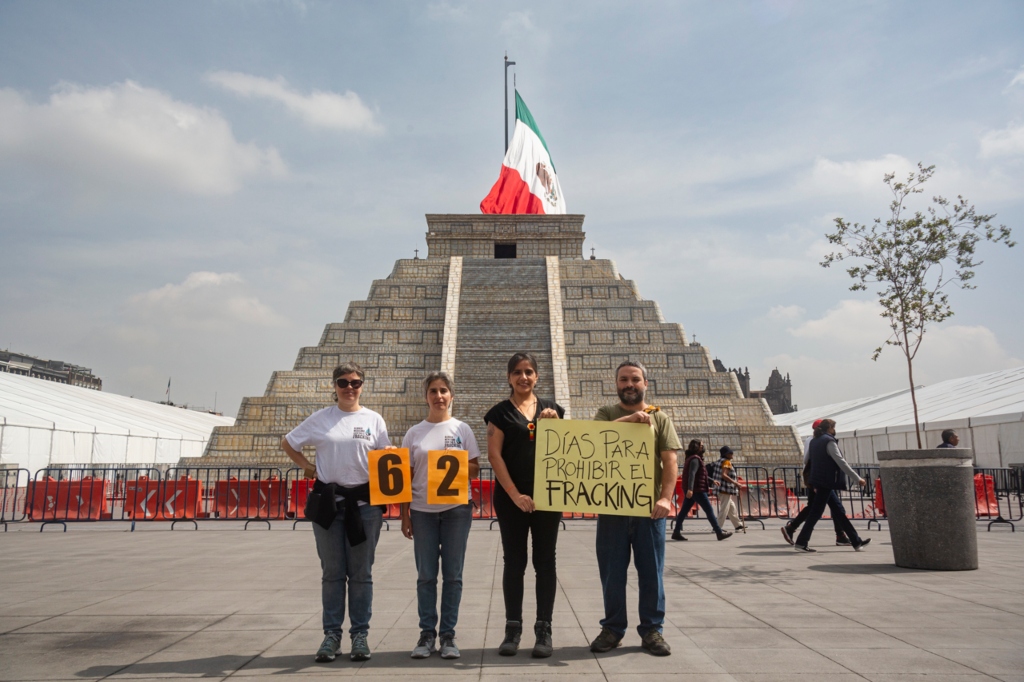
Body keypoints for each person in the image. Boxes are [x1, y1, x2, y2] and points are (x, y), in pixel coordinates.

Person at [282, 362, 390, 663]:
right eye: (343, 382)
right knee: (332, 573)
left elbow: (386, 458)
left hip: (365, 506)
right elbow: (288, 443)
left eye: (355, 382)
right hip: (330, 505)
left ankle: (360, 635)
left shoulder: (374, 419)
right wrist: (307, 467)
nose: (349, 388)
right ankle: (331, 635)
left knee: (361, 573)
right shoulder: (321, 419)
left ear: (362, 385)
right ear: (334, 386)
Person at [588, 360, 679, 657]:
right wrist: (631, 420)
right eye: (624, 379)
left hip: (649, 510)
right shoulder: (606, 414)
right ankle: (613, 628)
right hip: (612, 508)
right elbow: (590, 439)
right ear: (616, 384)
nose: (630, 384)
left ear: (645, 384)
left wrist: (665, 498)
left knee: (651, 572)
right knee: (612, 573)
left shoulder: (660, 418)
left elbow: (670, 462)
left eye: (635, 379)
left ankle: (652, 629)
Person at [484, 352, 565, 658]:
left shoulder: (553, 410)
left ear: (537, 376)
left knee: (546, 562)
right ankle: (512, 628)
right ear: (509, 377)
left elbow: (565, 452)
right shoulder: (499, 414)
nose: (523, 377)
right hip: (511, 498)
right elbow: (495, 456)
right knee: (514, 562)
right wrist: (515, 494)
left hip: (547, 497)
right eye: (517, 372)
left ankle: (544, 629)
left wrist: (556, 426)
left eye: (529, 371)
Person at [401, 372, 481, 660]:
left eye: (444, 390)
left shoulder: (462, 429)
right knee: (425, 576)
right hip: (422, 511)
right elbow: (405, 477)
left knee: (453, 575)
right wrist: (404, 515)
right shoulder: (414, 433)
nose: (439, 396)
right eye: (433, 391)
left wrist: (454, 460)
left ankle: (448, 634)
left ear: (451, 395)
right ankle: (426, 634)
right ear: (426, 396)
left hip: (457, 510)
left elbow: (475, 468)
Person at [793, 418, 871, 553]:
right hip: (826, 481)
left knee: (838, 511)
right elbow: (841, 462)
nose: (835, 431)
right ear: (829, 428)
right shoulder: (828, 441)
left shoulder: (814, 441)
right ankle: (801, 541)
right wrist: (857, 478)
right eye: (833, 428)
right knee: (816, 513)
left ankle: (856, 541)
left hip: (817, 480)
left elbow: (807, 460)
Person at [781, 419, 851, 547]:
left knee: (827, 508)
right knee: (819, 509)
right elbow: (809, 459)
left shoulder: (816, 439)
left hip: (820, 479)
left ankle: (842, 535)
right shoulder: (816, 440)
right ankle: (797, 532)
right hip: (820, 479)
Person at [671, 439, 733, 542]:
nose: (702, 447)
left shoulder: (692, 458)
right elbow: (692, 474)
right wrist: (690, 489)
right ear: (697, 447)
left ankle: (676, 532)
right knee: (709, 510)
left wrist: (712, 481)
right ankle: (719, 532)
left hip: (694, 489)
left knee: (684, 511)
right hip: (697, 489)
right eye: (701, 446)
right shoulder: (695, 459)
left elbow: (701, 474)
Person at [708, 446, 745, 533]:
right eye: (730, 453)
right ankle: (717, 527)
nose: (732, 455)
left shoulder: (719, 461)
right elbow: (724, 475)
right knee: (724, 509)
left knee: (731, 507)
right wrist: (736, 483)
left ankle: (738, 525)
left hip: (720, 488)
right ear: (726, 454)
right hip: (725, 488)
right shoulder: (726, 462)